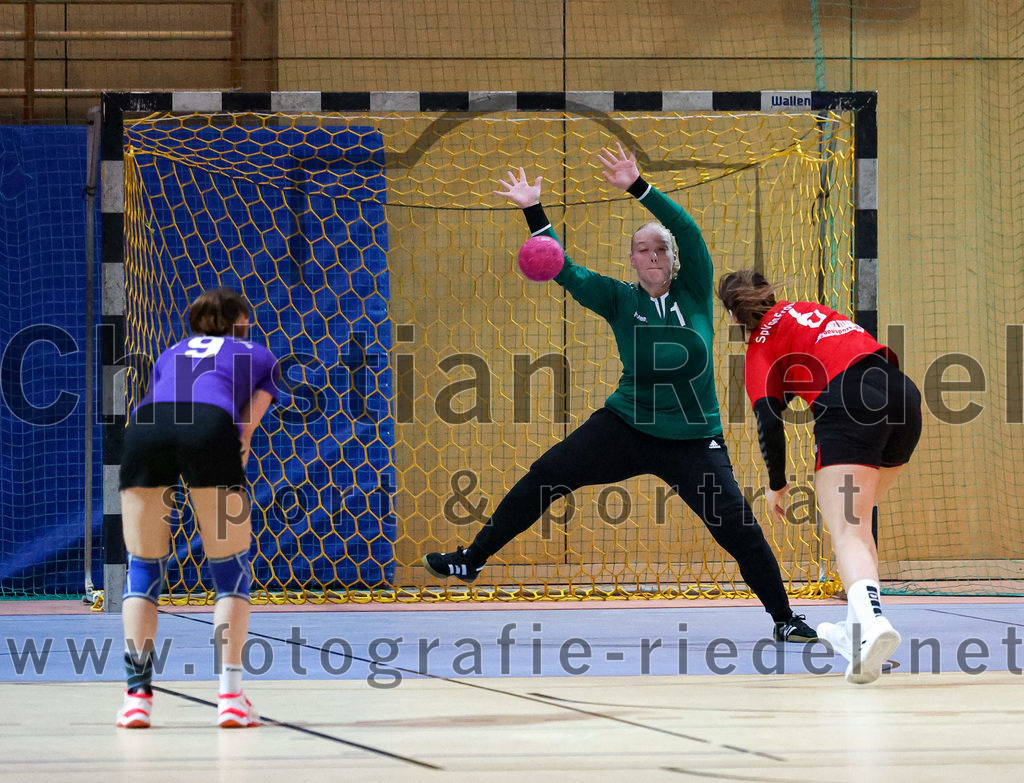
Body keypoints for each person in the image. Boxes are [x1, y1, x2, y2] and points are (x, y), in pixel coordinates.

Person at [423, 143, 817, 644]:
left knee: (737, 528)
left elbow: (691, 231)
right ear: (631, 260)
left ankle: (785, 619)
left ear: (674, 261)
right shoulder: (619, 299)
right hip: (624, 426)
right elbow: (563, 268)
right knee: (546, 476)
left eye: (660, 249)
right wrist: (532, 210)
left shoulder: (693, 291)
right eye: (642, 249)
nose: (652, 255)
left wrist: (638, 186)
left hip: (694, 440)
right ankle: (470, 560)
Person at [716, 269, 922, 683]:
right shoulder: (808, 310)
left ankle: (875, 622)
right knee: (859, 529)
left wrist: (777, 484)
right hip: (903, 396)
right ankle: (857, 634)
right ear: (767, 293)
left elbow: (768, 422)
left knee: (847, 532)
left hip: (851, 402)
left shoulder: (759, 348)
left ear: (736, 319)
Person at [115, 287, 278, 728]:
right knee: (231, 570)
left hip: (147, 428)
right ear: (242, 319)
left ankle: (136, 699)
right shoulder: (257, 354)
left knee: (143, 568)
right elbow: (244, 430)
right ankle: (230, 697)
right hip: (209, 426)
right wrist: (230, 451)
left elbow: (163, 398)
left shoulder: (171, 351)